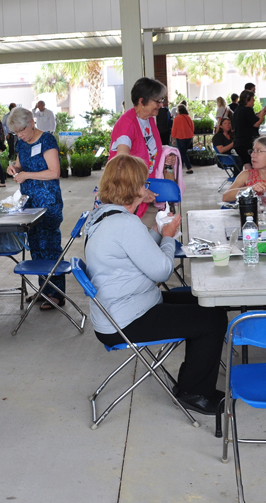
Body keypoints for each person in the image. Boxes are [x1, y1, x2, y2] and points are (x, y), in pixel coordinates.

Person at [84, 154, 228, 416]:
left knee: (204, 302)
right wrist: (169, 238)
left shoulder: (102, 217)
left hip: (122, 309)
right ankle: (194, 391)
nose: (147, 189)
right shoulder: (125, 223)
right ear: (135, 189)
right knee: (212, 319)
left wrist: (158, 233)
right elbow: (161, 270)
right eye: (144, 183)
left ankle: (192, 380)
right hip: (126, 320)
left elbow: (135, 251)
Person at [6, 106, 66, 309]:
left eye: (22, 130)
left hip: (48, 201)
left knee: (50, 245)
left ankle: (57, 293)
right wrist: (14, 168)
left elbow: (54, 172)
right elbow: (21, 164)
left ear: (32, 123)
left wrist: (27, 175)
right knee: (36, 245)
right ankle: (44, 290)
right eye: (16, 132)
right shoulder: (21, 143)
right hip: (29, 201)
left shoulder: (47, 140)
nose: (20, 135)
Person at [110, 77, 166, 222]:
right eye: (157, 101)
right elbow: (121, 162)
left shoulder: (149, 120)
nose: (161, 105)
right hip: (129, 198)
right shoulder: (127, 124)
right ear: (142, 101)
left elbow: (149, 151)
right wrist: (139, 190)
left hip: (145, 194)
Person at [222, 136, 266, 203]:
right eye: (253, 151)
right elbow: (225, 197)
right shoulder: (247, 175)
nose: (252, 155)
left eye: (259, 151)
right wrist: (251, 189)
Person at [232, 90, 266, 169]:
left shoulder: (238, 110)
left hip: (238, 143)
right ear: (248, 99)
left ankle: (250, 180)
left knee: (247, 165)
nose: (254, 100)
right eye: (252, 98)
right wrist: (261, 115)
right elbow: (256, 123)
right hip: (246, 143)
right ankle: (254, 180)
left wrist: (260, 114)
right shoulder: (247, 109)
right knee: (253, 165)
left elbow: (251, 119)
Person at [171, 104, 195, 174]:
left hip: (180, 137)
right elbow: (192, 128)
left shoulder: (177, 118)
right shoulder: (188, 117)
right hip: (189, 137)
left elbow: (174, 129)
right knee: (183, 153)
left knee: (183, 153)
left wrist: (173, 138)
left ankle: (189, 168)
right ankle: (180, 167)